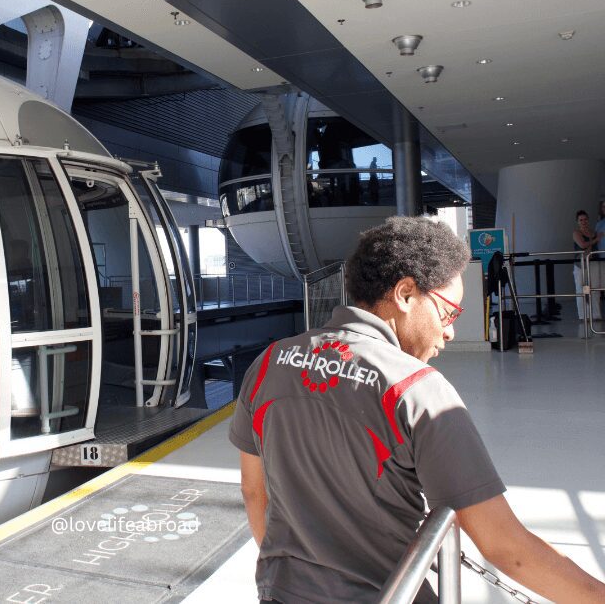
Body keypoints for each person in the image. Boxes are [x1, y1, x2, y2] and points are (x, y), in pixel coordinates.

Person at [230, 216, 605, 603]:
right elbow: (507, 548)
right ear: (406, 293)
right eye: (449, 313)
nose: (450, 332)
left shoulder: (269, 362)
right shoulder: (418, 390)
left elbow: (254, 491)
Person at [572, 210, 601, 321]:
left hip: (593, 264)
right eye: (581, 220)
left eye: (585, 219)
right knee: (582, 290)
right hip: (581, 266)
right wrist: (596, 239)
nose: (583, 222)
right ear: (578, 222)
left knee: (594, 289)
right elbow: (582, 245)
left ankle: (596, 315)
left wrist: (594, 238)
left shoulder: (593, 232)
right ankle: (583, 316)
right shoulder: (576, 233)